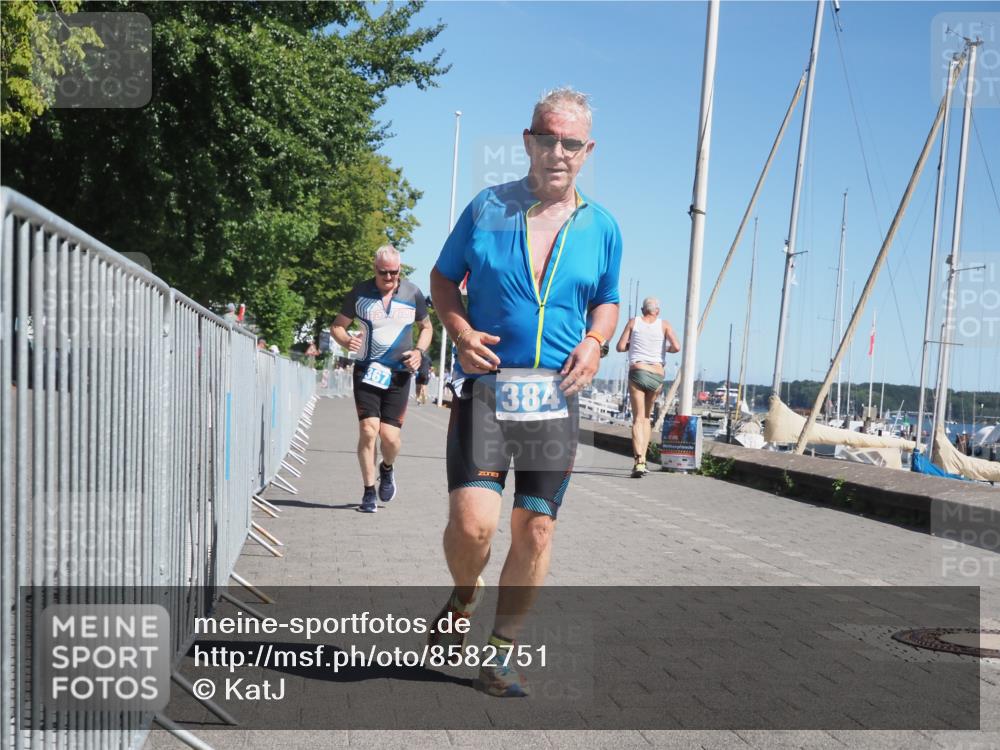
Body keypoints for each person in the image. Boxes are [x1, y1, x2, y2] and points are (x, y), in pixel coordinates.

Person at [429, 87, 621, 697]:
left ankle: (500, 654)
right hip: (487, 389)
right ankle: (464, 595)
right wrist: (460, 331)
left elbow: (608, 299)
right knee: (473, 527)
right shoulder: (488, 207)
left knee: (536, 528)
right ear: (528, 141)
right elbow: (442, 278)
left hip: (555, 398)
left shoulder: (602, 226)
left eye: (571, 143)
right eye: (547, 139)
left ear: (587, 151)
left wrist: (596, 341)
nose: (558, 152)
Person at [331, 245, 432, 513]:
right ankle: (368, 492)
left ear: (400, 269)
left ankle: (387, 468)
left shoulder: (412, 293)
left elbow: (427, 327)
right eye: (383, 272)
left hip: (399, 374)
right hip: (367, 370)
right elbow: (337, 326)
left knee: (389, 437)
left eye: (394, 272)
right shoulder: (360, 293)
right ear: (374, 269)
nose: (389, 277)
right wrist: (346, 340)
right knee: (368, 430)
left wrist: (419, 352)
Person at [615, 297, 680, 477]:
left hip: (638, 371)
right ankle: (643, 459)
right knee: (646, 418)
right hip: (657, 375)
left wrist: (631, 345)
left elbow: (620, 347)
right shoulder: (664, 325)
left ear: (643, 310)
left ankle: (639, 461)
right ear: (657, 311)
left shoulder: (633, 322)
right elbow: (676, 347)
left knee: (637, 418)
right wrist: (664, 349)